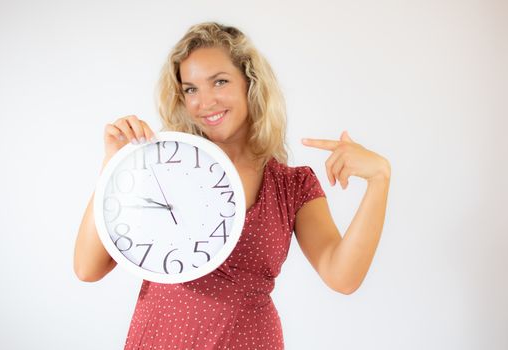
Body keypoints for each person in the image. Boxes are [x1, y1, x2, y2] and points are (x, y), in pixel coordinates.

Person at [74, 22, 391, 349]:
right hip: (159, 339)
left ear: (250, 84)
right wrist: (113, 166)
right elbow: (88, 268)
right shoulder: (161, 166)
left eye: (220, 82)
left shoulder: (292, 185)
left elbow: (342, 277)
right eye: (191, 89)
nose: (204, 102)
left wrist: (379, 180)